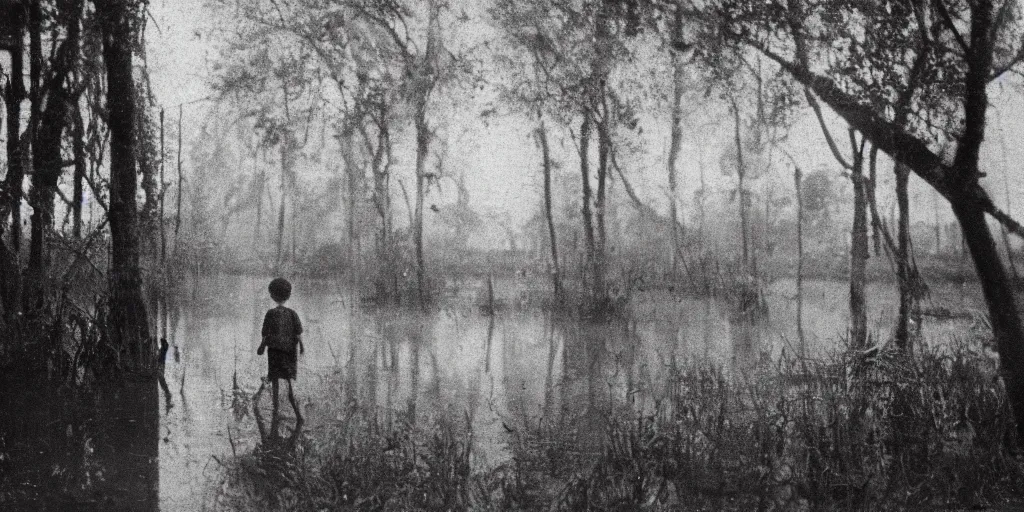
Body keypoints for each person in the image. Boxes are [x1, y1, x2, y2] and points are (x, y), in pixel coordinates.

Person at [256, 277, 304, 421]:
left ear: (272, 295)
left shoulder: (271, 313)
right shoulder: (292, 313)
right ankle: (298, 415)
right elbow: (298, 332)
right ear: (288, 295)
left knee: (275, 379)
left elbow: (265, 334)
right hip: (289, 351)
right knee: (289, 381)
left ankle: (276, 410)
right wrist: (302, 346)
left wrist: (262, 346)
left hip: (275, 351)